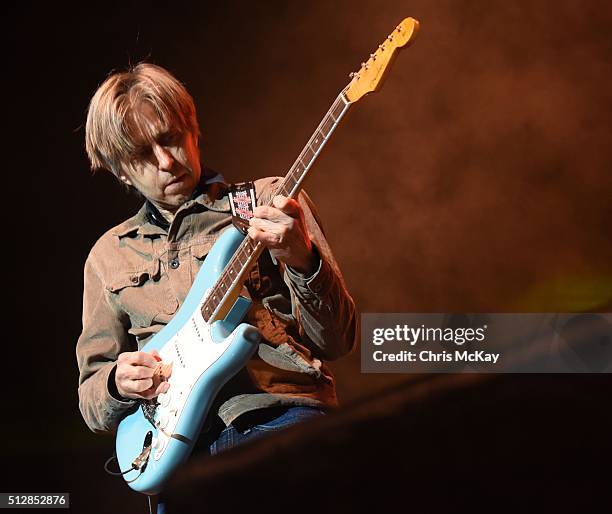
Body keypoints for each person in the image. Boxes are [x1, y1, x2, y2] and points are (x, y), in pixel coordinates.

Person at [76, 62, 357, 481]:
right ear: (120, 171)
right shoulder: (108, 256)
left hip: (281, 419)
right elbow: (91, 398)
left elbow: (338, 339)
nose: (166, 162)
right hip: (177, 455)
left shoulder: (269, 201)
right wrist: (117, 381)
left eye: (170, 138)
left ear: (192, 127)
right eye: (141, 154)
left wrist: (302, 257)